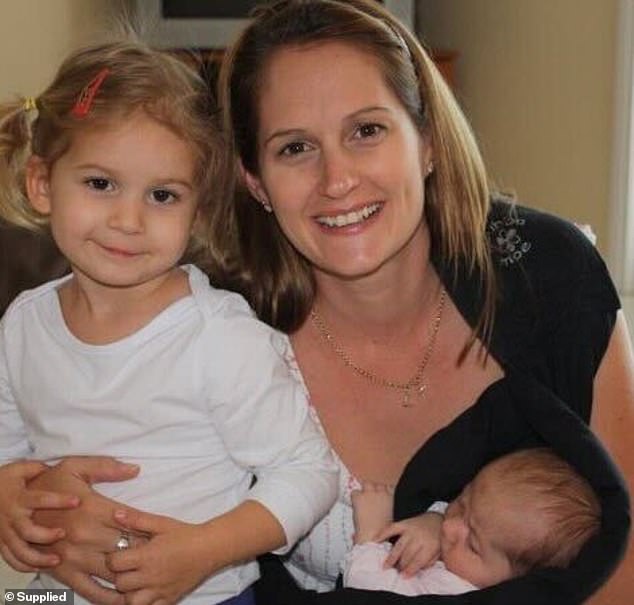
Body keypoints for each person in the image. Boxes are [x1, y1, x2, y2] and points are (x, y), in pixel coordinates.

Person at [0, 0, 632, 604]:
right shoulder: (225, 322)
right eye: (294, 148)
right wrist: (37, 515)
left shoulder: (544, 274)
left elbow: (624, 557)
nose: (337, 180)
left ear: (428, 140)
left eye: (366, 130)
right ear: (254, 181)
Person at [0, 39, 338, 605]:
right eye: (100, 183)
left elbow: (309, 472)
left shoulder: (220, 337)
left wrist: (205, 550)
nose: (128, 220)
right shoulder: (23, 324)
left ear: (197, 211)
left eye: (162, 195)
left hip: (208, 596)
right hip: (49, 594)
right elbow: (7, 450)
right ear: (41, 185)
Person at [344, 448, 601, 595]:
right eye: (462, 503)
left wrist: (370, 533)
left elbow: (369, 593)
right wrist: (433, 519)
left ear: (514, 584)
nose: (450, 527)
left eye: (473, 545)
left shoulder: (455, 591)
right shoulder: (473, 561)